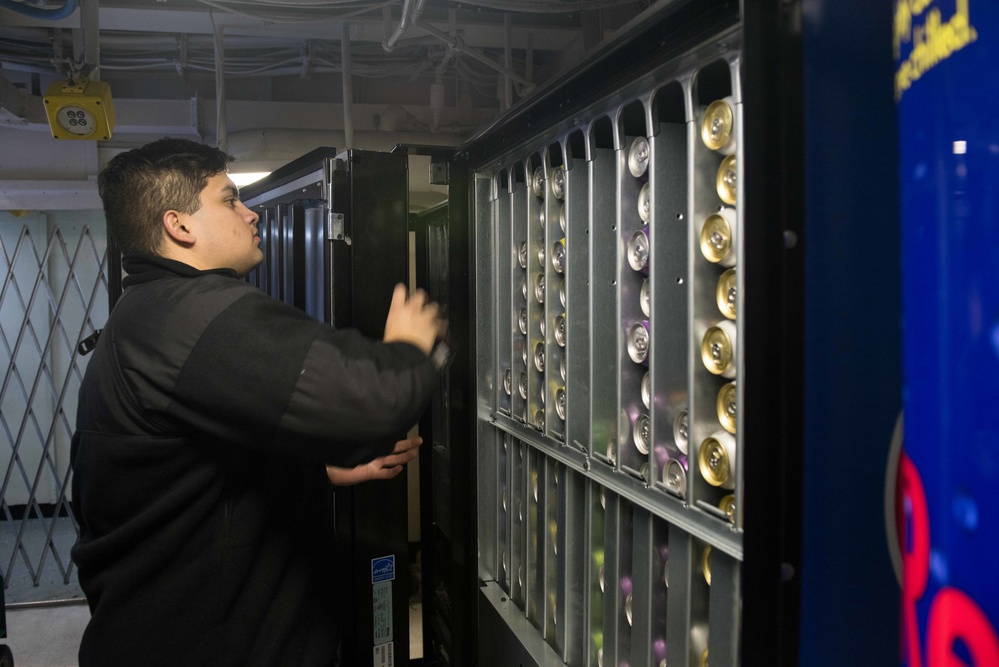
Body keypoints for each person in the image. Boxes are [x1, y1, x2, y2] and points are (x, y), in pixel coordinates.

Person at [70, 137, 445, 665]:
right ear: (179, 226)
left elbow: (185, 482)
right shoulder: (198, 317)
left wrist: (317, 474)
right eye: (229, 200)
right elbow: (375, 401)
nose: (250, 214)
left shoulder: (146, 315)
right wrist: (410, 346)